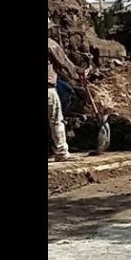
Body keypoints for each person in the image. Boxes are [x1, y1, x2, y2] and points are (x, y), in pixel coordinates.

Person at [48, 18, 87, 162]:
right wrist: (77, 73)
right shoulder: (51, 45)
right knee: (56, 120)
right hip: (48, 90)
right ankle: (61, 152)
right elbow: (65, 63)